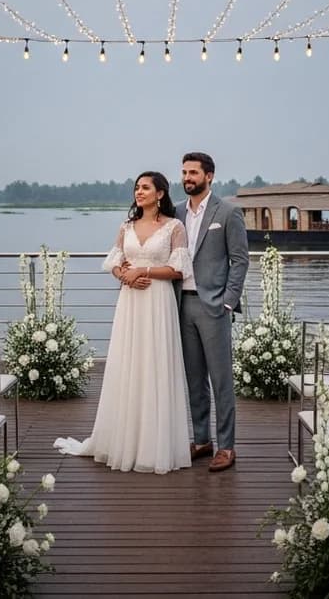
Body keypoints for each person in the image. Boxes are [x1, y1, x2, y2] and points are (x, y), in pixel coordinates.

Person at [55, 172, 192, 474]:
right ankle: (122, 439)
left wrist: (142, 270)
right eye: (136, 188)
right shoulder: (126, 226)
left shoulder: (174, 227)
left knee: (155, 365)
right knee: (128, 363)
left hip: (158, 301)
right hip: (130, 301)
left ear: (160, 194)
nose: (138, 192)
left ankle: (153, 446)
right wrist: (124, 275)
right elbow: (113, 262)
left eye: (145, 188)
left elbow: (179, 269)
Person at [178, 152, 250, 472]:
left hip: (214, 307)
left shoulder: (229, 213)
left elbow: (240, 260)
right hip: (182, 305)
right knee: (194, 379)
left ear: (209, 176)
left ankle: (227, 447)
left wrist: (227, 302)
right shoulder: (177, 213)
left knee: (221, 380)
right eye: (184, 172)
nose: (187, 177)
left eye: (193, 172)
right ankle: (202, 440)